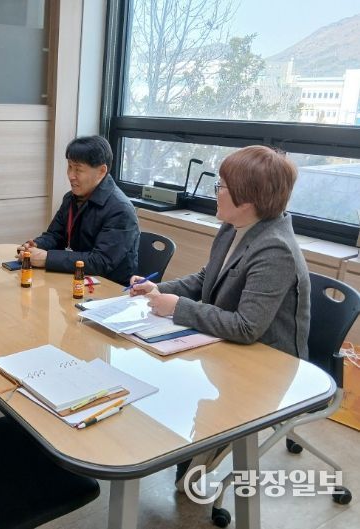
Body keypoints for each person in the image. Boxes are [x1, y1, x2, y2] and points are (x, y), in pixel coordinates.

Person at [130, 145, 311, 491]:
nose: (216, 191)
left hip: (266, 363)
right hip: (225, 344)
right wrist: (158, 289)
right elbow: (205, 279)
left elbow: (247, 327)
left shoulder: (275, 249)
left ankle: (208, 443)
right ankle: (196, 443)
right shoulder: (233, 227)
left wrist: (177, 307)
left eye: (221, 186)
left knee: (174, 380)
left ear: (247, 199)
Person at [17, 135, 140, 285]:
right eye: (69, 167)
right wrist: (36, 246)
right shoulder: (71, 198)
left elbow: (100, 262)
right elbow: (55, 235)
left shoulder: (121, 210)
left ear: (101, 171)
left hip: (109, 288)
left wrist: (47, 258)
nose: (71, 176)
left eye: (78, 170)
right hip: (75, 279)